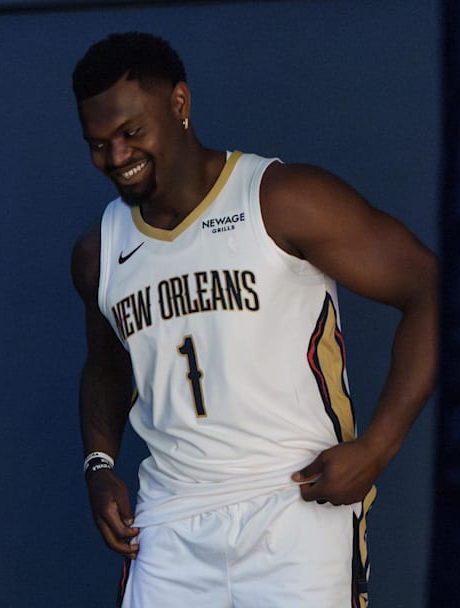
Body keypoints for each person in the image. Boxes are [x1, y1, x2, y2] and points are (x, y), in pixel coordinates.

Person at [70, 32, 438, 607]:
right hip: (170, 517)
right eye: (98, 144)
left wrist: (378, 449)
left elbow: (430, 291)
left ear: (180, 104)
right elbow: (109, 366)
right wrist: (98, 463)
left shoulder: (280, 198)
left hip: (295, 500)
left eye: (130, 133)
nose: (116, 157)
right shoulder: (100, 250)